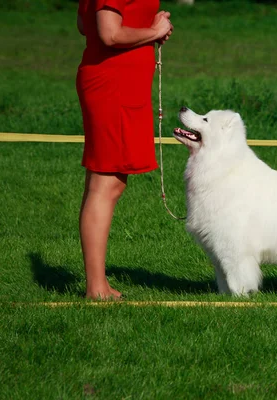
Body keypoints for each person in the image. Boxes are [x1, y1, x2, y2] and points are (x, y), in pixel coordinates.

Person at [76, 0, 173, 300]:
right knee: (105, 183)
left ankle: (97, 283)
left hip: (120, 83)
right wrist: (153, 31)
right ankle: (96, 287)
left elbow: (84, 25)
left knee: (108, 183)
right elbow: (109, 34)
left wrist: (149, 31)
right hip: (112, 85)